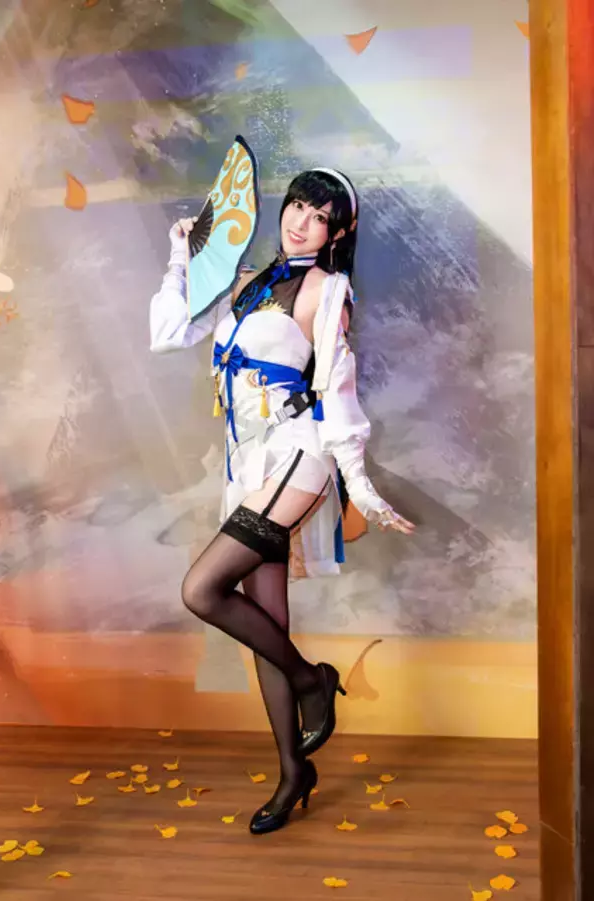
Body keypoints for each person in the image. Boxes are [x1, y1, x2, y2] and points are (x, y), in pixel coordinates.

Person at [149, 167, 414, 836]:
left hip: (299, 451)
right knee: (264, 619)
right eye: (298, 205)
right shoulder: (246, 283)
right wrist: (180, 256)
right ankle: (294, 771)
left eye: (320, 216)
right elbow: (169, 331)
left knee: (202, 589)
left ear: (338, 233)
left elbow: (339, 393)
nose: (302, 221)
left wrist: (360, 486)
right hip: (248, 463)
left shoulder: (328, 291)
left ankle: (311, 680)